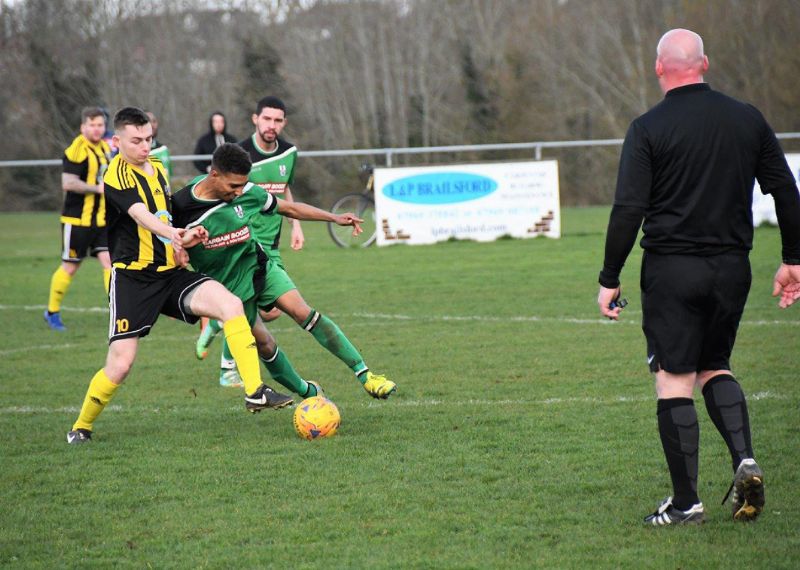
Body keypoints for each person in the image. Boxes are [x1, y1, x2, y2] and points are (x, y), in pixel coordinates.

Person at [596, 29, 800, 526]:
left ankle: (687, 504)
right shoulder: (747, 118)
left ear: (659, 68)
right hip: (733, 268)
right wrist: (794, 258)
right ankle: (744, 459)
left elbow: (628, 209)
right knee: (715, 364)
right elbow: (786, 190)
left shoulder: (648, 127)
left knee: (673, 378)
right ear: (704, 63)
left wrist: (609, 276)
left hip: (672, 270)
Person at [66, 107, 292, 445]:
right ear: (117, 141)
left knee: (230, 304)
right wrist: (172, 232)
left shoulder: (157, 169)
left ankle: (255, 390)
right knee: (120, 365)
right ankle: (81, 426)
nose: (145, 146)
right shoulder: (116, 176)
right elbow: (143, 217)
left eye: (149, 139)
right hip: (133, 281)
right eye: (136, 141)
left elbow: (164, 218)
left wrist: (187, 236)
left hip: (170, 274)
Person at [179, 144, 397, 400]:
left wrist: (334, 218)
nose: (239, 192)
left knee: (304, 313)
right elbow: (165, 244)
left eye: (243, 185)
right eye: (233, 187)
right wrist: (180, 249)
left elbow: (290, 209)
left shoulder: (247, 192)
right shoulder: (181, 206)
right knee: (265, 344)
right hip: (231, 292)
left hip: (260, 268)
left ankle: (367, 376)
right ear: (214, 175)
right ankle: (308, 392)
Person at [195, 96, 305, 387]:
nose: (272, 125)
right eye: (266, 119)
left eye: (278, 120)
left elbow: (283, 191)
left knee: (270, 313)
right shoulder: (238, 154)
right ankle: (228, 369)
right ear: (255, 119)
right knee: (249, 305)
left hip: (273, 242)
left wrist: (296, 225)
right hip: (246, 241)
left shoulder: (289, 153)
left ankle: (219, 323)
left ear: (284, 123)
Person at [44, 107, 112, 331]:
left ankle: (117, 310)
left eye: (100, 125)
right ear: (83, 127)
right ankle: (52, 312)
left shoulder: (105, 148)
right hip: (77, 221)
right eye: (92, 125)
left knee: (109, 263)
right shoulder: (76, 149)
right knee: (70, 267)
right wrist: (97, 189)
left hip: (101, 220)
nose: (97, 129)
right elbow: (68, 183)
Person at [144, 110, 172, 179]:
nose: (152, 125)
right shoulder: (133, 152)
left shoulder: (163, 149)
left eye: (154, 121)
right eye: (148, 121)